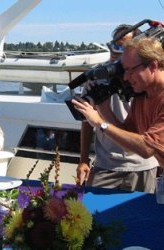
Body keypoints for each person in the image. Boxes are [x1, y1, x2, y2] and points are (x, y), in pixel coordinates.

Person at [75, 25, 158, 193]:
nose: (116, 51)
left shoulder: (143, 80)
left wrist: (102, 120)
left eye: (123, 46)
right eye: (114, 45)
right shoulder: (97, 77)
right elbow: (87, 122)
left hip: (143, 165)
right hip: (106, 163)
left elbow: (146, 144)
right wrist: (83, 159)